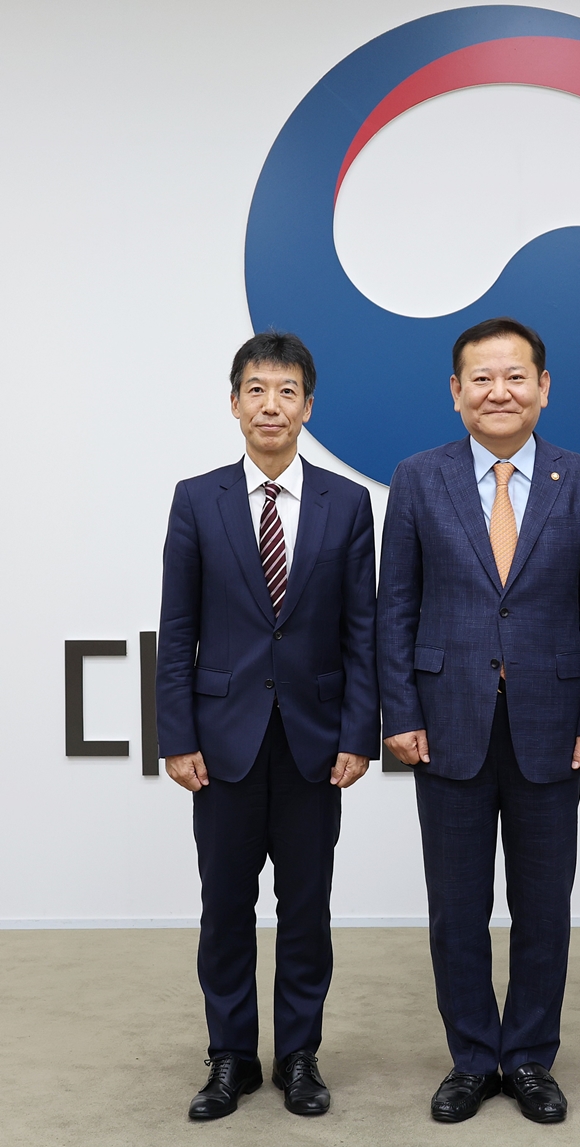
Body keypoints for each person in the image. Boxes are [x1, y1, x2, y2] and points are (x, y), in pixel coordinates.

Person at [377, 317, 580, 1124]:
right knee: (456, 906)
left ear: (544, 388)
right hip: (445, 721)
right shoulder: (418, 479)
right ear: (455, 393)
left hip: (554, 722)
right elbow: (397, 608)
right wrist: (400, 711)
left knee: (544, 905)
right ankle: (471, 1057)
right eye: (481, 378)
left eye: (516, 376)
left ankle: (529, 1058)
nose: (499, 391)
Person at [156, 331, 378, 1121]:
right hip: (221, 742)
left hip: (316, 742)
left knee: (307, 906)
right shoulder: (198, 498)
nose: (271, 404)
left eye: (287, 391)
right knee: (224, 906)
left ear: (308, 405)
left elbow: (363, 630)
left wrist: (360, 734)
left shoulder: (348, 504)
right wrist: (176, 736)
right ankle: (229, 1056)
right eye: (256, 389)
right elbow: (177, 627)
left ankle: (300, 1056)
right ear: (234, 402)